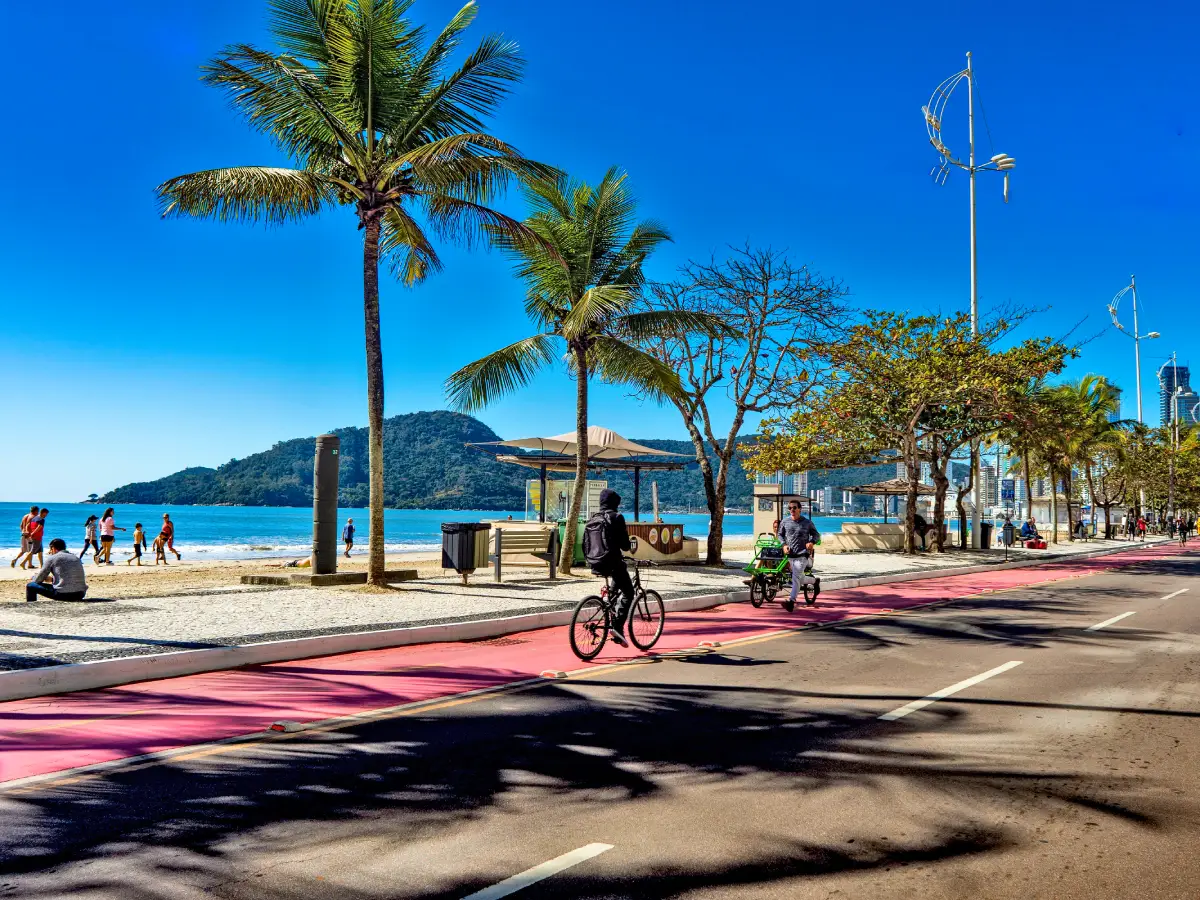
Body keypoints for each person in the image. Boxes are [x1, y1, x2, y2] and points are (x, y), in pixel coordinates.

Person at [586, 488, 634, 648]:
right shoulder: (617, 517)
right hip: (613, 561)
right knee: (629, 592)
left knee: (614, 590)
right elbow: (625, 546)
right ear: (615, 503)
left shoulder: (593, 518)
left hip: (595, 562)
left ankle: (609, 609)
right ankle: (617, 627)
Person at [777, 500, 821, 607]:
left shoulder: (807, 522)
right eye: (790, 508)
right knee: (799, 578)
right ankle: (815, 581)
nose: (792, 510)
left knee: (795, 577)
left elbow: (816, 535)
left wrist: (811, 542)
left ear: (800, 509)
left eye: (794, 507)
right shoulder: (785, 522)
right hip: (790, 555)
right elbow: (780, 535)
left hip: (803, 554)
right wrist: (783, 545)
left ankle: (791, 602)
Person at [27, 538, 89, 603]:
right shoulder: (76, 558)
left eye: (50, 549)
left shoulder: (52, 558)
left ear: (53, 548)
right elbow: (69, 576)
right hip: (80, 594)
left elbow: (38, 580)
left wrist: (34, 577)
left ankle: (30, 606)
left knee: (30, 586)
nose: (50, 552)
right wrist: (52, 579)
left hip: (63, 594)